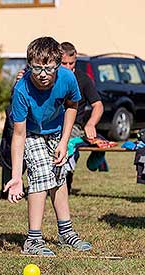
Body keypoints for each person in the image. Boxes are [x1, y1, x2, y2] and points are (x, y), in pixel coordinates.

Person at [4, 36, 92, 256]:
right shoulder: (22, 90)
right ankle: (33, 240)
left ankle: (65, 232)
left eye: (49, 68)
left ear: (58, 64)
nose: (43, 75)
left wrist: (64, 140)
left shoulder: (67, 78)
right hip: (31, 133)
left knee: (59, 176)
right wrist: (16, 176)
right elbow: (19, 134)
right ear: (29, 65)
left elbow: (72, 105)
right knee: (42, 175)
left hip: (55, 130)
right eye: (36, 68)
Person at [60, 42, 104, 193]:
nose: (67, 67)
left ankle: (66, 177)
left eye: (71, 63)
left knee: (69, 140)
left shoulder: (83, 79)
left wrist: (91, 124)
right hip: (52, 124)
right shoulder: (49, 79)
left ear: (76, 60)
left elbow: (98, 105)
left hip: (74, 126)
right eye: (63, 63)